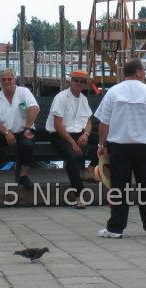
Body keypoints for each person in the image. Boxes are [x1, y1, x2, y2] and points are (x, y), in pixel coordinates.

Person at [94, 59, 146, 238]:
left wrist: (101, 144)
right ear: (138, 72)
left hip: (119, 147)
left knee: (118, 187)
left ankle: (115, 227)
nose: (144, 74)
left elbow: (103, 123)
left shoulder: (113, 92)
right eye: (143, 71)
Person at [0, 68, 39, 189]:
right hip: (3, 131)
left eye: (10, 79)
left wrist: (28, 128)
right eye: (3, 79)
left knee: (27, 145)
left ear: (15, 80)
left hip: (24, 129)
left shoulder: (23, 92)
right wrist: (6, 132)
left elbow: (34, 108)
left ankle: (24, 176)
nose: (7, 81)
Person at [46, 70, 93, 209]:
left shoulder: (84, 99)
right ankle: (79, 195)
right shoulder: (61, 98)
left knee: (107, 141)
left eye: (82, 81)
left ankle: (89, 170)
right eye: (76, 80)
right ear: (70, 81)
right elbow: (58, 125)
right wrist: (73, 143)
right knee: (72, 157)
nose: (78, 83)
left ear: (85, 84)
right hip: (60, 135)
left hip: (79, 134)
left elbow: (89, 122)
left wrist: (86, 135)